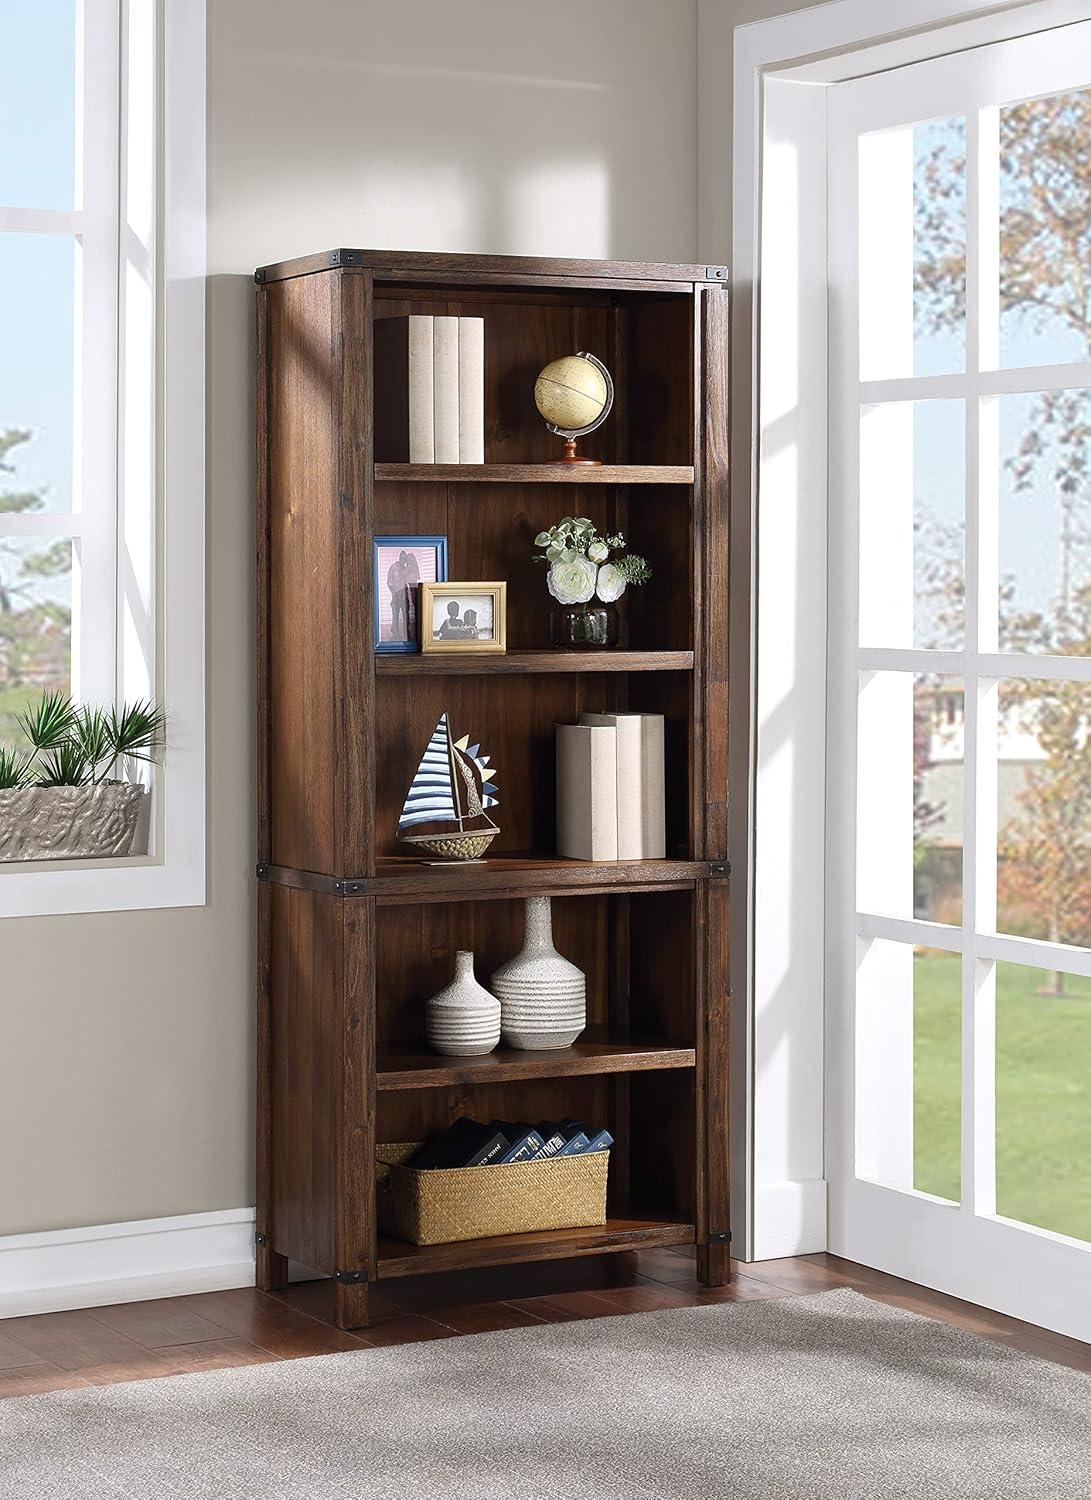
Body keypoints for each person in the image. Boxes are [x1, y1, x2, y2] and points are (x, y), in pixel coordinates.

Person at [386, 549, 420, 642]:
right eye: (402, 558)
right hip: (396, 595)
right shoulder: (393, 567)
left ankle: (407, 634)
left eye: (405, 558)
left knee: (406, 616)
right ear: (399, 557)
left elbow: (409, 582)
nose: (403, 560)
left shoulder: (406, 569)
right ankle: (395, 635)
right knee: (395, 616)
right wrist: (393, 593)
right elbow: (389, 582)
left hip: (405, 596)